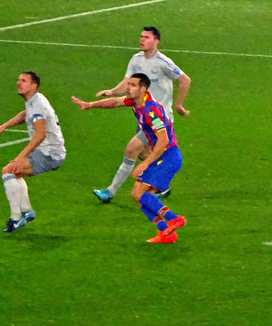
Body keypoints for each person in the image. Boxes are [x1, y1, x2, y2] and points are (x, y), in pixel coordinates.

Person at [72, 73, 186, 243]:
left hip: (168, 155)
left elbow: (164, 140)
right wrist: (90, 105)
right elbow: (114, 102)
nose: (128, 87)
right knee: (136, 194)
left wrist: (144, 164)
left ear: (143, 89)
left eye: (133, 85)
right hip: (163, 156)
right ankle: (166, 233)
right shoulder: (135, 102)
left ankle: (173, 219)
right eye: (128, 84)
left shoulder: (151, 110)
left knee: (140, 192)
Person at [91, 26, 191, 202]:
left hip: (159, 117)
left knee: (132, 148)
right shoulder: (136, 59)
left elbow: (185, 80)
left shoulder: (163, 63)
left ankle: (109, 192)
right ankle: (162, 185)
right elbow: (127, 82)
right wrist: (112, 91)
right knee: (144, 153)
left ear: (156, 41)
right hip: (143, 116)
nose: (142, 40)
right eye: (141, 36)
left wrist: (178, 105)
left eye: (146, 37)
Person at [0, 71, 66, 233]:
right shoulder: (33, 100)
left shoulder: (38, 104)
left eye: (24, 81)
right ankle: (26, 212)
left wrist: (21, 156)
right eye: (18, 79)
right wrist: (5, 125)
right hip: (49, 150)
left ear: (34, 85)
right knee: (15, 172)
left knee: (9, 171)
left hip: (50, 154)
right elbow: (26, 114)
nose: (19, 83)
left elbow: (40, 134)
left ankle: (16, 218)